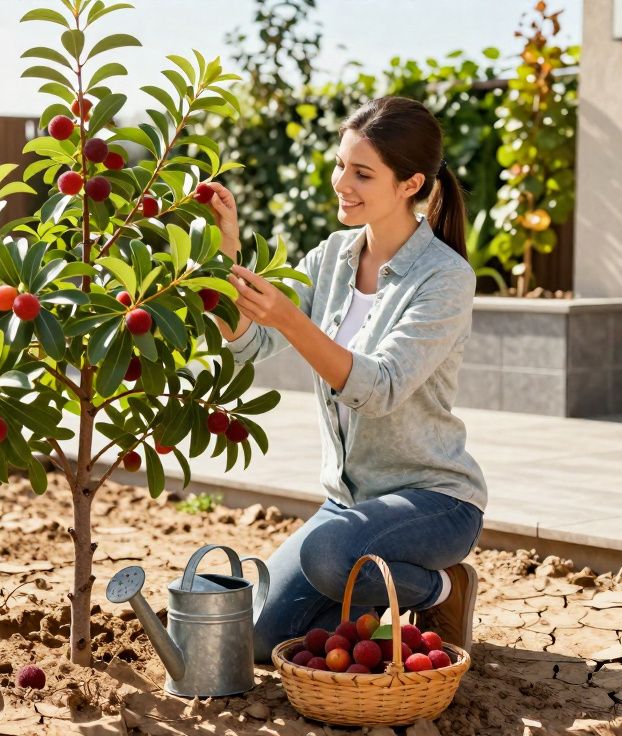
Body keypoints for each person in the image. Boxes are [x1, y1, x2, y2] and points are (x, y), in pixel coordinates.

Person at [203, 96, 487, 662]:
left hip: (432, 501)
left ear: (410, 184)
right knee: (259, 639)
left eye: (362, 173)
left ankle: (441, 589)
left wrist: (290, 317)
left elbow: (379, 390)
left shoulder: (445, 278)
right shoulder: (331, 256)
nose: (341, 183)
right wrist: (223, 250)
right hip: (349, 507)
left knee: (330, 557)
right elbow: (251, 343)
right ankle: (370, 594)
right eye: (340, 165)